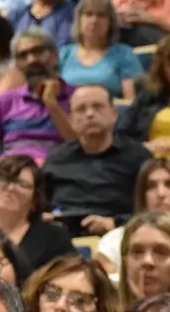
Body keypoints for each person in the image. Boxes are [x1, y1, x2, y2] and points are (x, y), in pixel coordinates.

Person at [42, 84, 153, 237]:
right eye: (81, 109)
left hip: (120, 237)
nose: (89, 114)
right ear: (72, 119)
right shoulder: (56, 158)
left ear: (114, 114)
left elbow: (153, 211)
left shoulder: (138, 157)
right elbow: (39, 204)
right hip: (61, 239)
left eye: (98, 107)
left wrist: (116, 223)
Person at [0, 28, 77, 163]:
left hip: (58, 171)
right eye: (23, 56)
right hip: (10, 172)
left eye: (38, 52)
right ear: (16, 65)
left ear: (54, 55)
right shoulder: (6, 101)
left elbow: (81, 146)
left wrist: (52, 105)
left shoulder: (78, 97)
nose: (31, 60)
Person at [0, 154, 75, 271]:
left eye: (21, 184)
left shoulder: (54, 238)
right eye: (4, 178)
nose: (10, 188)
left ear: (35, 200)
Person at [61, 0, 145, 100]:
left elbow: (131, 102)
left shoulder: (124, 54)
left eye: (101, 15)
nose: (94, 20)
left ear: (110, 22)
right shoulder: (64, 54)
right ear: (79, 19)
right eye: (88, 14)